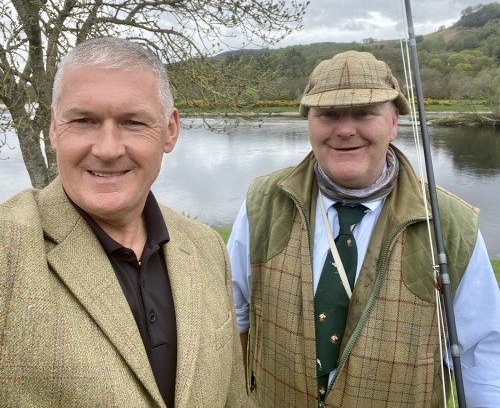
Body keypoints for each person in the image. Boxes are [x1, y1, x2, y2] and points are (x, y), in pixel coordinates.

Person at [227, 50, 500, 407]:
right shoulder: (262, 203)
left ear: (393, 122)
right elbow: (234, 317)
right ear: (308, 121)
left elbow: (482, 358)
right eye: (328, 115)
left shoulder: (451, 224)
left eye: (363, 113)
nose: (344, 130)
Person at [0, 37, 247, 407]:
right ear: (54, 128)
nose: (108, 149)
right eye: (84, 121)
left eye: (133, 122)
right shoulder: (8, 249)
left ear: (170, 130)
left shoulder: (207, 247)